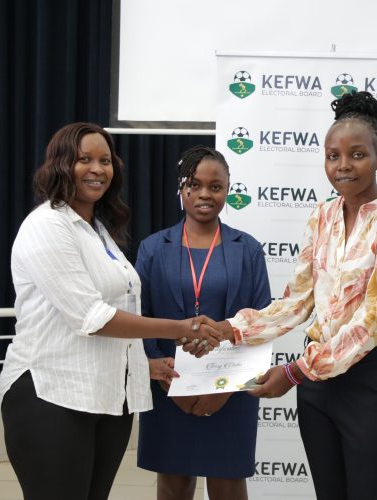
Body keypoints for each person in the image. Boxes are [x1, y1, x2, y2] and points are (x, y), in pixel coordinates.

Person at [204, 91, 377, 500]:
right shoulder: (322, 215)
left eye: (357, 154)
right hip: (319, 385)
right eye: (333, 155)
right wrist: (229, 330)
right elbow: (298, 300)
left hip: (374, 380)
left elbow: (374, 318)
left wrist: (294, 373)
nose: (343, 166)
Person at [0, 123, 221, 500]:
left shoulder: (98, 229)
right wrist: (180, 327)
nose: (97, 169)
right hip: (51, 395)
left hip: (107, 397)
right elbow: (91, 317)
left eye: (105, 160)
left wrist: (143, 364)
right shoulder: (47, 225)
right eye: (84, 159)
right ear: (61, 165)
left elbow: (116, 309)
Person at [135, 146, 271, 500]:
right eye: (193, 185)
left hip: (232, 393)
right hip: (167, 385)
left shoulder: (249, 250)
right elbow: (140, 318)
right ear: (181, 189)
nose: (204, 194)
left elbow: (262, 322)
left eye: (216, 186)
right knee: (174, 484)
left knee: (228, 485)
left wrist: (224, 389)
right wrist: (165, 381)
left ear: (228, 189)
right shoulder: (152, 249)